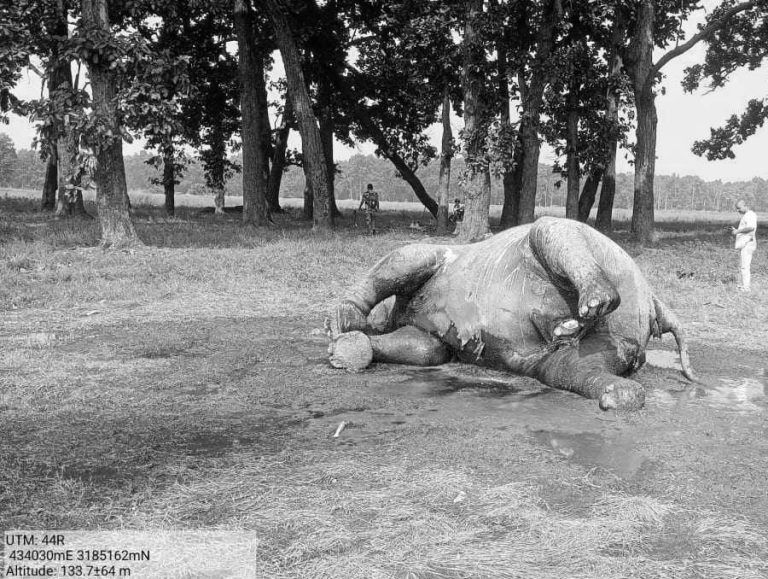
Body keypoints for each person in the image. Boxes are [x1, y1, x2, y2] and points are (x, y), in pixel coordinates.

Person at [731, 199, 757, 292]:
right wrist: (736, 230)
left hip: (748, 244)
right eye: (737, 209)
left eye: (739, 208)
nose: (738, 210)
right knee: (742, 265)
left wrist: (737, 231)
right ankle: (742, 285)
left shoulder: (750, 215)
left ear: (745, 205)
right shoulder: (746, 215)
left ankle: (746, 288)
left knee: (745, 266)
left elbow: (751, 228)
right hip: (745, 244)